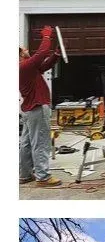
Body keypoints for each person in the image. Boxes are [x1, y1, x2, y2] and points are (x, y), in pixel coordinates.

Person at [20, 25, 61, 186]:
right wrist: (46, 36)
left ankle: (24, 174)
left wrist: (56, 55)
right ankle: (43, 177)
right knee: (41, 142)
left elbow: (43, 66)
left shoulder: (27, 69)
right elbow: (42, 53)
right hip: (37, 107)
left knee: (27, 143)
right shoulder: (23, 67)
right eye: (24, 50)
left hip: (29, 109)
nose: (26, 50)